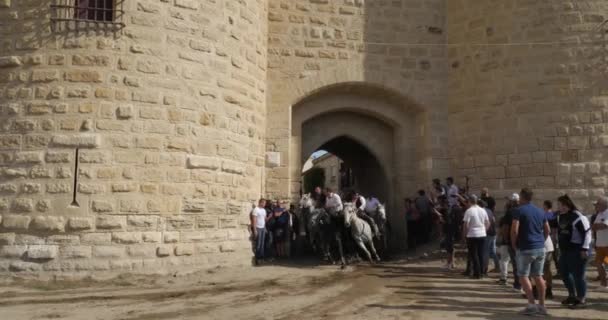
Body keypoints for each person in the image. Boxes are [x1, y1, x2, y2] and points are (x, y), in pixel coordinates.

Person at [511, 188, 549, 316]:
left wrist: (514, 244)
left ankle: (532, 304)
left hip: (525, 247)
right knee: (538, 276)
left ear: (522, 197)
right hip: (539, 247)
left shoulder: (518, 210)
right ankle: (542, 305)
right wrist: (542, 240)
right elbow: (547, 229)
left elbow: (515, 229)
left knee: (523, 276)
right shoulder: (540, 211)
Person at [557, 194, 591, 309]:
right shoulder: (561, 216)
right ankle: (572, 295)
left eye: (560, 205)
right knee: (564, 273)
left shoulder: (578, 217)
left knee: (578, 276)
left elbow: (587, 233)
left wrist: (584, 249)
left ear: (566, 205)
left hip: (577, 250)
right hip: (565, 251)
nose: (558, 207)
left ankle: (581, 299)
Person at [497, 194, 520, 290]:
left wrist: (505, 239)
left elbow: (505, 228)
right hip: (522, 241)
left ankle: (516, 283)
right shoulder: (522, 210)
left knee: (511, 262)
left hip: (511, 241)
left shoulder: (509, 213)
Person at [462, 194, 489, 279]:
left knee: (474, 254)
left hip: (472, 234)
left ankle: (477, 274)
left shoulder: (469, 211)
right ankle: (482, 272)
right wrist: (484, 230)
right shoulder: (483, 210)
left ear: (470, 201)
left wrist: (464, 235)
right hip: (482, 234)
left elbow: (465, 225)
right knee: (481, 254)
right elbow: (488, 223)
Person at [592, 197, 608, 290]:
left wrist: (598, 226)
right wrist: (599, 226)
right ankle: (604, 284)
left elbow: (604, 225)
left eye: (598, 204)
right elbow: (594, 226)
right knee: (598, 263)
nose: (596, 205)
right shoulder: (599, 214)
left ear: (604, 204)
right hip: (600, 244)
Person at [480, 199, 499, 275]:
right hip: (493, 233)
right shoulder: (490, 211)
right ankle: (498, 266)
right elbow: (493, 220)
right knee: (493, 251)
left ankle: (484, 269)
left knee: (486, 252)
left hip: (487, 233)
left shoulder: (482, 211)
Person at [543, 200, 560, 277]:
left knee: (548, 258)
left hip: (547, 238)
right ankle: (559, 271)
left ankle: (545, 272)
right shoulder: (554, 214)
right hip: (554, 237)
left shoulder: (544, 215)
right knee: (556, 256)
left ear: (546, 206)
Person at [250, 198, 268, 265]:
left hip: (263, 228)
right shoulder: (255, 210)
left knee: (262, 244)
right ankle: (257, 259)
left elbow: (264, 219)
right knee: (258, 244)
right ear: (260, 202)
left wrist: (265, 228)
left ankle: (261, 258)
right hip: (258, 228)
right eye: (264, 203)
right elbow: (254, 220)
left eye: (265, 203)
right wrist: (254, 230)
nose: (265, 204)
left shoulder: (264, 210)